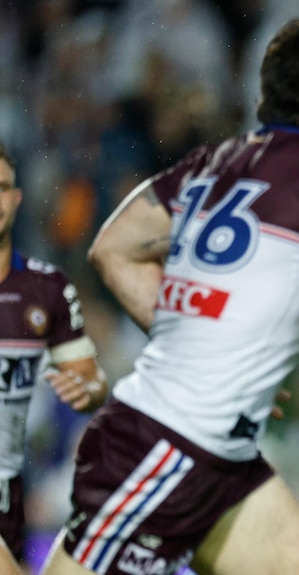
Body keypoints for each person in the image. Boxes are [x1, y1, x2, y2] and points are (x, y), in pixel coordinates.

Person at [39, 13, 299, 575]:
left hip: (220, 460)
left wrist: (206, 342)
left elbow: (112, 248)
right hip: (163, 448)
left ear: (266, 93)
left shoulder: (211, 164)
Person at [0, 143, 109, 573]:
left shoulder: (47, 289)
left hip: (12, 494)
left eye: (2, 187)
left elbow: (93, 382)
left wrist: (88, 391)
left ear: (17, 198)